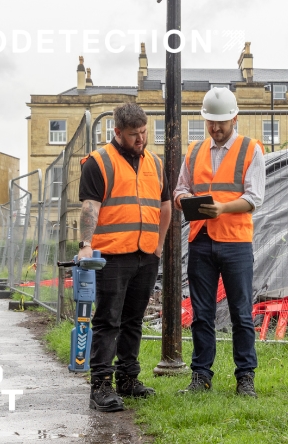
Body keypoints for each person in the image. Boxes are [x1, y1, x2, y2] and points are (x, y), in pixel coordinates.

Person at [77, 102, 172, 412]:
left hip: (146, 253)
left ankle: (128, 379)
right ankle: (100, 385)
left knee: (133, 321)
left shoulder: (154, 164)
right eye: (134, 134)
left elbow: (165, 205)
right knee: (108, 321)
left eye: (144, 132)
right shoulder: (98, 162)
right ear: (117, 132)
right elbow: (90, 207)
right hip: (113, 256)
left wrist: (159, 244)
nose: (140, 139)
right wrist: (85, 244)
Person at [173, 87, 265, 397]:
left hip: (236, 241)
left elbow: (255, 197)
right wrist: (184, 199)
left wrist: (223, 208)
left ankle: (245, 377)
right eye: (211, 122)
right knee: (201, 313)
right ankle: (201, 376)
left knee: (241, 312)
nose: (216, 128)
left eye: (221, 123)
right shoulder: (195, 151)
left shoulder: (251, 149)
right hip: (200, 239)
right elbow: (180, 189)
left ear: (234, 118)